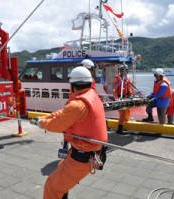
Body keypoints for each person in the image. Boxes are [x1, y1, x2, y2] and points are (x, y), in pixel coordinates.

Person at [30, 66, 108, 199]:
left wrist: (40, 123)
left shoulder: (77, 105)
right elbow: (63, 115)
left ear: (72, 86)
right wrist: (45, 118)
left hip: (82, 158)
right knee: (60, 176)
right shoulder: (92, 96)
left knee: (51, 186)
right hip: (86, 154)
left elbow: (58, 124)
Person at [112, 64, 133, 134]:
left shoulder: (127, 78)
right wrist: (116, 98)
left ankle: (125, 126)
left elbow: (129, 87)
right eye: (123, 70)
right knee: (123, 113)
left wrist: (131, 95)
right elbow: (114, 89)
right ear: (121, 71)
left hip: (125, 98)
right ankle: (119, 129)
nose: (124, 72)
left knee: (127, 112)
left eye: (125, 70)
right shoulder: (117, 78)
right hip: (119, 98)